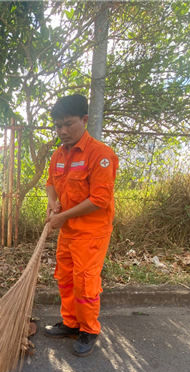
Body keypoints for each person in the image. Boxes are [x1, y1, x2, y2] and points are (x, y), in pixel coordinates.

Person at [44, 94, 119, 357]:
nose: (62, 131)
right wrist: (53, 204)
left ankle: (89, 330)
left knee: (85, 282)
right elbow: (51, 183)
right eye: (57, 126)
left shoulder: (100, 155)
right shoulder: (58, 156)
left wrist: (63, 216)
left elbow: (100, 199)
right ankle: (70, 323)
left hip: (91, 233)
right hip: (68, 232)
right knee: (65, 278)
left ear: (84, 120)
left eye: (69, 124)